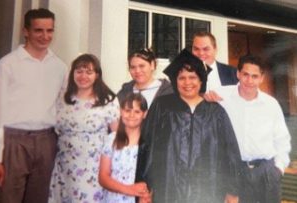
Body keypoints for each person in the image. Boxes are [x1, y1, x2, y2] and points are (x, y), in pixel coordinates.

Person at [135, 49, 242, 203]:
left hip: (208, 189)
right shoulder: (162, 107)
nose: (187, 83)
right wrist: (144, 187)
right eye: (182, 78)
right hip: (168, 187)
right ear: (175, 81)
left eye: (192, 77)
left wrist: (232, 191)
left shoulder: (215, 112)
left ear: (201, 80)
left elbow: (230, 153)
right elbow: (147, 147)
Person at [0, 8, 67, 203]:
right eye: (38, 30)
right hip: (13, 143)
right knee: (8, 197)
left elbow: (63, 107)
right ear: (26, 31)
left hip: (46, 141)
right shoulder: (7, 65)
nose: (45, 36)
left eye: (50, 30)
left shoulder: (60, 67)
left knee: (40, 198)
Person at [204, 55, 291, 203]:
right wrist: (206, 98)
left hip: (267, 173)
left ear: (261, 78)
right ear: (238, 74)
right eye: (245, 74)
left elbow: (282, 140)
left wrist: (278, 168)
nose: (249, 81)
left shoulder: (271, 104)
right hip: (234, 174)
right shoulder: (221, 96)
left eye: (254, 76)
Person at [48, 54, 120, 202]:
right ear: (72, 73)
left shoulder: (108, 101)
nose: (83, 76)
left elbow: (116, 137)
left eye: (89, 72)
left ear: (97, 75)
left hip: (93, 169)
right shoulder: (62, 99)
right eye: (79, 71)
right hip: (64, 166)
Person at [99, 93, 150, 203]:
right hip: (113, 199)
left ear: (145, 114)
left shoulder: (150, 143)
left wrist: (147, 197)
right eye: (127, 110)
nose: (131, 115)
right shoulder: (111, 139)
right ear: (121, 112)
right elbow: (103, 177)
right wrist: (129, 190)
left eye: (137, 111)